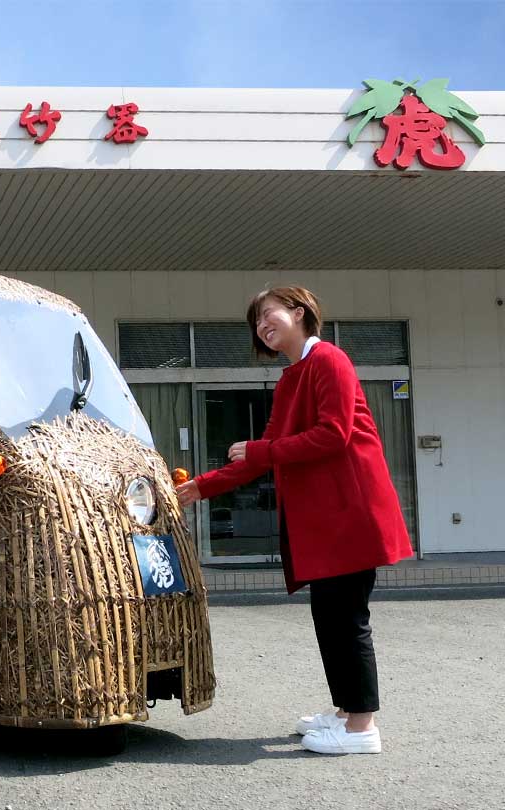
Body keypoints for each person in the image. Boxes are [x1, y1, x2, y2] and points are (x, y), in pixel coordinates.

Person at [176, 286, 412, 755]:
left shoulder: (329, 360)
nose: (262, 326)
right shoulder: (291, 377)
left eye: (269, 314)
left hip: (351, 513)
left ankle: (362, 729)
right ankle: (346, 712)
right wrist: (199, 488)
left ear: (299, 312)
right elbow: (264, 456)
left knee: (346, 618)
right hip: (328, 519)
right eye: (257, 322)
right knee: (330, 616)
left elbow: (334, 434)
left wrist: (262, 450)